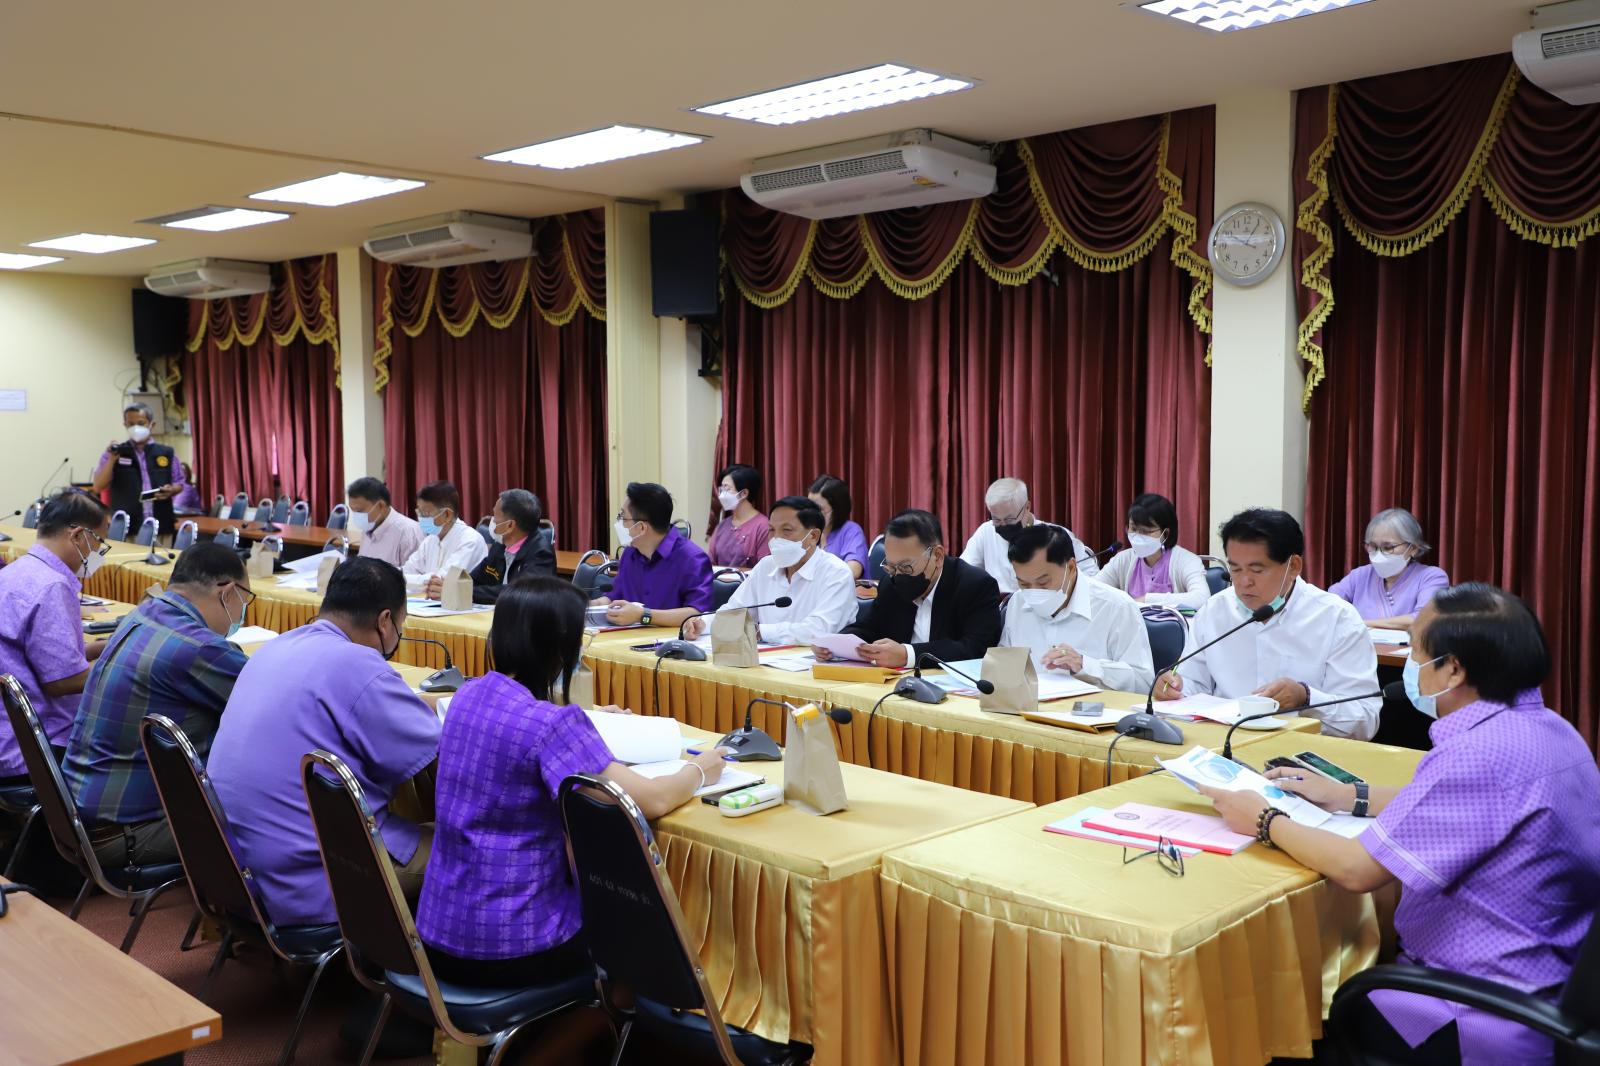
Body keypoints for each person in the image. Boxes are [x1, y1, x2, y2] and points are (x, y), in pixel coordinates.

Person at [1200, 584, 1600, 1065]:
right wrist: (1347, 795)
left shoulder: (1478, 754)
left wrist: (1265, 820)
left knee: (1287, 1013)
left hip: (1470, 1008)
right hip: (1547, 976)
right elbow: (1458, 804)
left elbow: (1356, 870)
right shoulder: (1550, 729)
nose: (1412, 665)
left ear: (1453, 669)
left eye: (1417, 652)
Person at [416, 577, 730, 986]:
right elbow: (651, 799)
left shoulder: (465, 697)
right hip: (513, 942)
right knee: (633, 918)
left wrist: (591, 721)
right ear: (561, 647)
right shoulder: (552, 725)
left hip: (438, 929)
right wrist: (701, 768)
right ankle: (615, 1015)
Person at [208, 558, 441, 924]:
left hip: (233, 868)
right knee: (475, 850)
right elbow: (436, 749)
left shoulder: (275, 647)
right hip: (313, 878)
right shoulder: (358, 665)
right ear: (385, 621)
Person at [63, 543, 252, 868]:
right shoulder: (199, 647)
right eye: (244, 599)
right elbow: (270, 707)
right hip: (128, 834)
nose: (242, 611)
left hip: (76, 815)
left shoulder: (141, 614)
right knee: (272, 819)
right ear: (227, 592)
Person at [1157, 508, 1381, 740]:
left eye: (1257, 570)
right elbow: (1193, 685)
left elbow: (1365, 720)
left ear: (1293, 566)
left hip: (1303, 751)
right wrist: (1174, 689)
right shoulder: (1214, 611)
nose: (1244, 582)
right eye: (1235, 569)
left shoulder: (1338, 618)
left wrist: (1307, 698)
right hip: (1224, 744)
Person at [0, 491, 109, 781]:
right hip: (37, 747)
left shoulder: (15, 571)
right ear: (78, 536)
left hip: (8, 734)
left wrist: (99, 648)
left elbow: (33, 653)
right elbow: (62, 682)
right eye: (100, 542)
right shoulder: (52, 586)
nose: (100, 552)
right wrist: (120, 667)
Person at [830, 509, 1002, 668]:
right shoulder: (891, 583)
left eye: (906, 567)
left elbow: (975, 648)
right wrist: (834, 644)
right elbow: (868, 627)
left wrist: (908, 655)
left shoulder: (975, 585)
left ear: (937, 556)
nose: (898, 575)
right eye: (891, 567)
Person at [1001, 525, 1155, 692]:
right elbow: (1005, 666)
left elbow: (1143, 683)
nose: (1034, 592)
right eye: (1024, 584)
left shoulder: (1116, 607)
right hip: (1028, 706)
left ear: (1071, 568)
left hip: (1095, 707)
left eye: (1043, 582)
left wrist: (1085, 665)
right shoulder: (1017, 602)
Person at [683, 497, 857, 644]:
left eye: (786, 530)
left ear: (813, 536)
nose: (776, 538)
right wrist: (702, 624)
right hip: (767, 662)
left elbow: (819, 630)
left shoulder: (836, 573)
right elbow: (735, 611)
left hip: (819, 668)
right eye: (772, 530)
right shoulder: (766, 566)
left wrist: (761, 632)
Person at [598, 482, 713, 629]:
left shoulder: (692, 559)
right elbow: (614, 596)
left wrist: (643, 615)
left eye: (623, 517)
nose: (619, 523)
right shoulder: (630, 553)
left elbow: (697, 614)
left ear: (641, 527)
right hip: (629, 637)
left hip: (671, 641)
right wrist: (589, 605)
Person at [960, 477, 1098, 593]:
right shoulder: (986, 531)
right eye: (996, 519)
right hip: (999, 609)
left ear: (1027, 507)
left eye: (1009, 519)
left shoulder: (1055, 536)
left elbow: (1092, 578)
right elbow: (963, 572)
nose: (1002, 525)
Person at [1329, 507, 1449, 631]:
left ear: (1413, 548)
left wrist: (1361, 623)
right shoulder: (1360, 575)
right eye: (1373, 547)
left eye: (1388, 548)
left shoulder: (1432, 577)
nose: (1379, 554)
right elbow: (1328, 603)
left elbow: (1424, 619)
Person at [439, 488, 555, 604]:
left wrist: (463, 592)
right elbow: (473, 580)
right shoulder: (499, 547)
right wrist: (452, 586)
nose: (492, 521)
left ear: (510, 525)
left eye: (495, 517)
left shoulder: (541, 553)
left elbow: (518, 593)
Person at [1097, 492, 1212, 609]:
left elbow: (1201, 598)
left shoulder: (1186, 561)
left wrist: (1146, 600)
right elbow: (1093, 590)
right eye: (1133, 529)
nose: (1138, 536)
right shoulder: (1123, 559)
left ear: (1165, 533)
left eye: (1146, 531)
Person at [92, 401, 185, 537]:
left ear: (151, 424)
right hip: (126, 527)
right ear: (125, 425)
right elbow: (98, 486)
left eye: (141, 423)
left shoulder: (166, 452)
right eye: (131, 424)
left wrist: (172, 490)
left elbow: (180, 482)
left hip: (161, 525)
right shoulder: (115, 452)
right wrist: (112, 459)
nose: (136, 428)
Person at [400, 480, 488, 593]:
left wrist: (411, 581)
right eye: (419, 513)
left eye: (425, 514)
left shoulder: (470, 540)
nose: (421, 518)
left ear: (447, 514)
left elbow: (440, 583)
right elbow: (405, 572)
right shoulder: (431, 539)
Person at [346, 476, 422, 568]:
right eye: (353, 511)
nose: (356, 516)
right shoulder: (369, 527)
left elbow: (415, 574)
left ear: (381, 506)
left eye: (359, 511)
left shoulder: (409, 533)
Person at [707, 463, 770, 568]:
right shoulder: (722, 525)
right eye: (721, 489)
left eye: (727, 489)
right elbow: (710, 562)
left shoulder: (763, 526)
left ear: (744, 493)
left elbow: (764, 569)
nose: (721, 495)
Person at [807, 474, 870, 579]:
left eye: (819, 508)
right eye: (809, 506)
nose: (811, 513)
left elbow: (853, 571)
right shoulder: (807, 531)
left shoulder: (851, 531)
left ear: (836, 509)